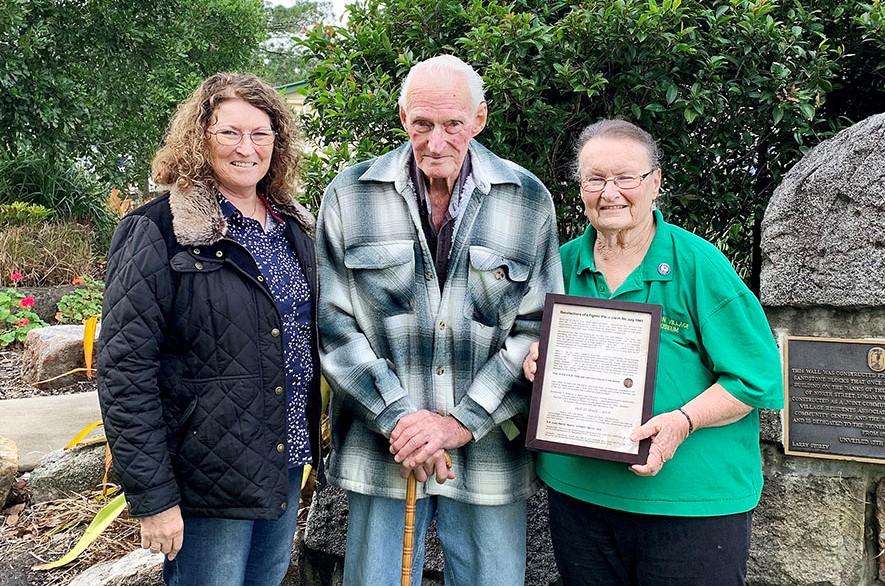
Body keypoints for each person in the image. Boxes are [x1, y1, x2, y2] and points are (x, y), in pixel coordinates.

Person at [315, 55, 563, 585]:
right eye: (422, 124)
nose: (436, 140)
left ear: (479, 119)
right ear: (403, 116)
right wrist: (402, 420)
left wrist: (457, 424)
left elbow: (539, 330)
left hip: (489, 445)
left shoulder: (528, 200)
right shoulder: (348, 194)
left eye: (453, 124)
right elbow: (334, 328)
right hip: (385, 447)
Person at [523, 119, 783, 586]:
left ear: (656, 183)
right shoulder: (561, 264)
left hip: (689, 504)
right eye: (595, 179)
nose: (610, 192)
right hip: (578, 496)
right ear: (580, 188)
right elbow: (529, 342)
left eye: (626, 178)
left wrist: (681, 422)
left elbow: (757, 377)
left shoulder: (697, 264)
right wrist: (534, 359)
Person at [98, 72, 322, 586]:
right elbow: (125, 371)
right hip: (206, 476)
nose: (247, 148)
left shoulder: (292, 228)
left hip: (281, 462)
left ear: (278, 142)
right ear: (200, 137)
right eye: (230, 133)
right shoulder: (159, 230)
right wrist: (154, 498)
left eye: (261, 134)